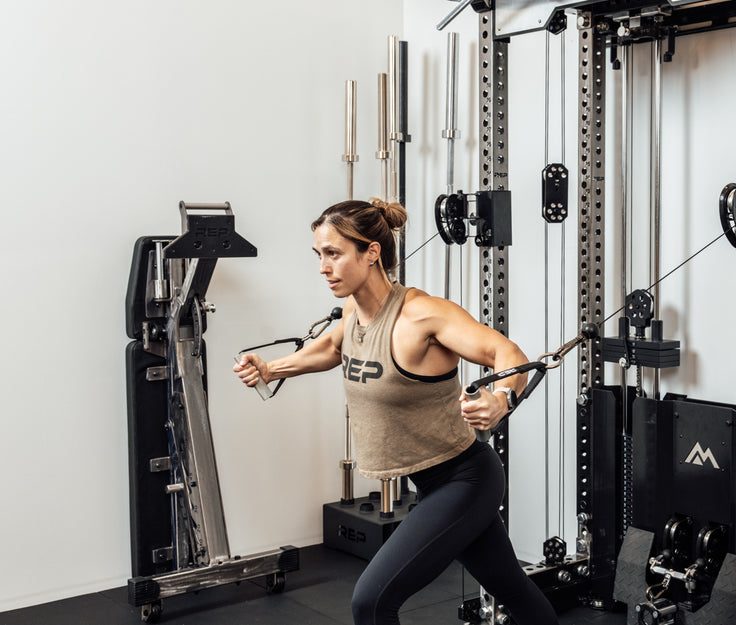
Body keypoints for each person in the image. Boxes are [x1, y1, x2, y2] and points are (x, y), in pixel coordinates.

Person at [234, 198, 559, 625]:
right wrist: (271, 368)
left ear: (371, 252)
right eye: (319, 255)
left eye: (333, 254)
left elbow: (506, 352)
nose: (322, 267)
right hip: (430, 481)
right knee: (512, 587)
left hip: (465, 479)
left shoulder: (421, 316)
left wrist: (502, 399)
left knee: (370, 601)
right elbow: (333, 347)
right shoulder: (354, 310)